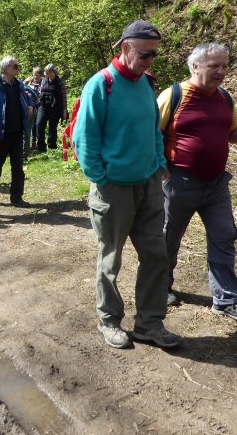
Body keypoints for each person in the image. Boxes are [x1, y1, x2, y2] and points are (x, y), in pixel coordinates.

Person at [73, 20, 181, 350]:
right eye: (145, 54)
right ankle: (109, 320)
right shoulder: (100, 85)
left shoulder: (146, 84)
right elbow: (84, 138)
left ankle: (149, 323)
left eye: (154, 55)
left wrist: (159, 166)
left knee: (156, 255)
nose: (150, 60)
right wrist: (101, 178)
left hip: (148, 185)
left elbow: (152, 128)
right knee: (111, 259)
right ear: (125, 48)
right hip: (113, 190)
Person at [158, 43, 237, 321]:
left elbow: (231, 134)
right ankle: (160, 288)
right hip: (179, 183)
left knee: (224, 238)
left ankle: (225, 300)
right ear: (195, 66)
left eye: (225, 66)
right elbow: (150, 134)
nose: (221, 72)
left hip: (216, 186)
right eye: (215, 66)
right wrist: (163, 171)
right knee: (167, 239)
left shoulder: (224, 97)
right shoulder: (174, 95)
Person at [0, 56, 33, 208]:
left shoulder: (20, 85)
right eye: (14, 65)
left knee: (18, 167)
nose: (17, 67)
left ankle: (16, 198)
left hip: (17, 132)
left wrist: (30, 106)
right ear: (5, 69)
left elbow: (32, 97)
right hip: (0, 134)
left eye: (17, 65)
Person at [35, 64, 68, 153]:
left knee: (52, 128)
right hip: (43, 106)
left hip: (55, 107)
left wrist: (64, 110)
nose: (48, 75)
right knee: (39, 125)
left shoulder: (60, 82)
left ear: (54, 72)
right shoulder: (44, 81)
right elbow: (40, 91)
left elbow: (64, 97)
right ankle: (41, 147)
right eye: (47, 73)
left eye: (50, 73)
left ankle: (52, 147)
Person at [23, 66, 43, 158]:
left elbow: (37, 94)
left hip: (38, 106)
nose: (35, 77)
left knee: (36, 125)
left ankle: (33, 145)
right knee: (29, 128)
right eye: (34, 75)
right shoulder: (29, 82)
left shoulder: (43, 82)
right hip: (31, 106)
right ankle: (30, 145)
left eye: (37, 75)